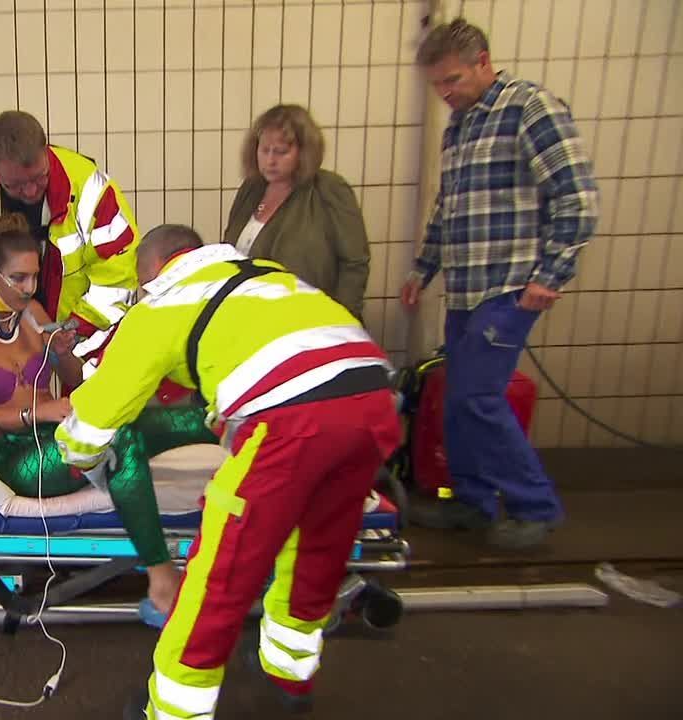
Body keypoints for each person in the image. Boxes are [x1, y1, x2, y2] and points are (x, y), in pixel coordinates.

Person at [54, 225, 401, 718]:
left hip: (294, 421)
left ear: (153, 271)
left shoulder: (164, 303)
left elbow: (97, 414)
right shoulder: (270, 277)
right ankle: (290, 678)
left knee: (220, 574)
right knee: (316, 552)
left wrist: (76, 457)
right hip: (372, 405)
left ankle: (172, 710)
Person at [0, 213, 217, 616]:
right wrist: (43, 409)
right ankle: (160, 571)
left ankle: (241, 427)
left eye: (34, 277)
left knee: (136, 419)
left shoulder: (32, 311)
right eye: (18, 278)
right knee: (119, 441)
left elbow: (72, 381)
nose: (29, 288)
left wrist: (64, 353)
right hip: (12, 459)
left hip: (56, 433)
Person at [401, 18, 599, 549]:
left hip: (510, 284)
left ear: (484, 61)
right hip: (465, 287)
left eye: (454, 79)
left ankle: (535, 506)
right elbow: (448, 209)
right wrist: (424, 270)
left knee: (479, 397)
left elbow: (576, 197)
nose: (446, 93)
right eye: (438, 84)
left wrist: (551, 275)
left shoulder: (530, 108)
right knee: (458, 397)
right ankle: (473, 500)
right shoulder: (459, 126)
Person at [0, 110, 140, 374]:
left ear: (47, 151)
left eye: (40, 177)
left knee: (78, 401)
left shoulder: (90, 188)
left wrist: (75, 330)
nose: (30, 191)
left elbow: (118, 276)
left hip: (79, 331)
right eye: (15, 185)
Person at [221, 104, 370, 319]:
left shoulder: (329, 190)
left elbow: (354, 263)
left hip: (308, 320)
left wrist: (341, 319)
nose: (270, 160)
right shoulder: (251, 188)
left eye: (281, 152)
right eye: (264, 150)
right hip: (252, 318)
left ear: (304, 152)